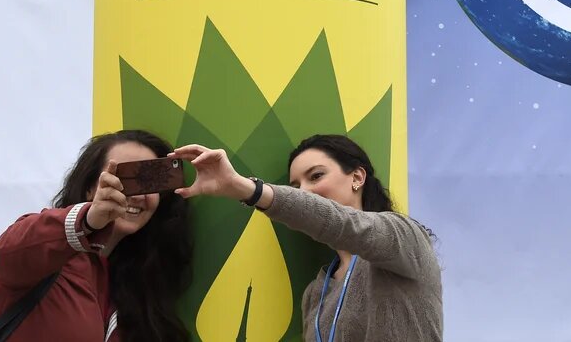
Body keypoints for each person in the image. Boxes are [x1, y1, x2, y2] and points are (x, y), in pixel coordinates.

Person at [171, 134, 442, 342]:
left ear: (357, 177)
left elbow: (339, 222)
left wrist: (246, 188)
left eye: (316, 176)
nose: (304, 192)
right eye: (296, 187)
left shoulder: (405, 239)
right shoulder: (317, 291)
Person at [0, 130, 192, 342]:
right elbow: (7, 250)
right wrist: (88, 219)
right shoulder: (43, 251)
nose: (138, 195)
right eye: (124, 179)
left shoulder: (138, 288)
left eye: (150, 182)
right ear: (90, 188)